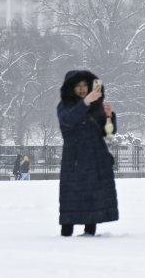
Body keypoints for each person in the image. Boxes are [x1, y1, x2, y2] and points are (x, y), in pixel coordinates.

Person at [57, 70, 119, 237]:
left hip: (96, 159)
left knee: (93, 198)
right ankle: (66, 231)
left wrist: (109, 117)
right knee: (72, 196)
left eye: (85, 85)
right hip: (74, 160)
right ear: (71, 88)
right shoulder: (64, 107)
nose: (82, 89)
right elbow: (68, 121)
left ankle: (90, 230)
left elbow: (108, 134)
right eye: (78, 86)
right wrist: (84, 103)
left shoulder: (97, 106)